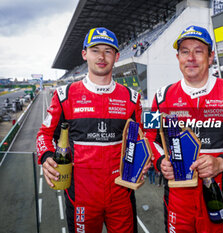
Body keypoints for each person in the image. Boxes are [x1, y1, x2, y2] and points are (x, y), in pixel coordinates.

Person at [146, 25, 223, 233]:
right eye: (185, 51)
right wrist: (159, 161)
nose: (191, 57)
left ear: (210, 57)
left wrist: (222, 162)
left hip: (219, 199)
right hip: (176, 201)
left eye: (198, 51)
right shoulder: (161, 97)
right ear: (178, 58)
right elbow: (149, 138)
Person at [36, 27, 145, 233]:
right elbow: (44, 134)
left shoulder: (132, 98)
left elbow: (140, 141)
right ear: (85, 54)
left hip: (121, 195)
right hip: (80, 197)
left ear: (116, 56)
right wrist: (46, 156)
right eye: (95, 50)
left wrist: (144, 161)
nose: (102, 56)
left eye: (108, 50)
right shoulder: (64, 95)